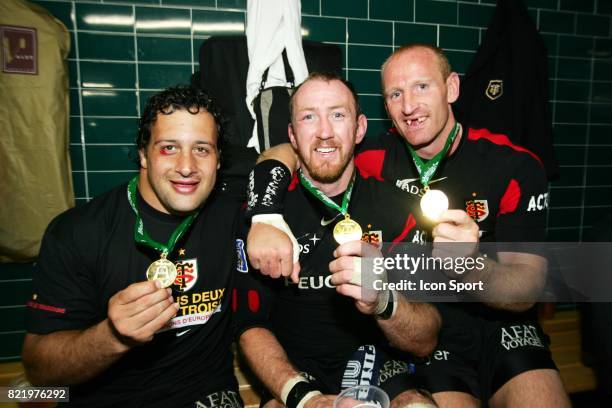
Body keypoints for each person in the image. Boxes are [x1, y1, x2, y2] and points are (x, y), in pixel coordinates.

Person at [247, 45, 571, 407]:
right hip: (430, 333)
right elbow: (299, 152)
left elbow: (526, 289)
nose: (408, 106)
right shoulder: (372, 156)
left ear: (451, 88)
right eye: (395, 94)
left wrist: (469, 265)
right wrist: (264, 213)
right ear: (385, 107)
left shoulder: (513, 165)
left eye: (422, 87)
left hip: (502, 327)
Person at [22, 85, 246, 407]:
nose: (187, 166)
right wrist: (112, 336)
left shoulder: (232, 218)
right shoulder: (78, 232)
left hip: (206, 394)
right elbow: (38, 369)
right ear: (143, 154)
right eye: (169, 148)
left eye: (201, 149)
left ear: (218, 159)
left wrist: (270, 222)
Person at [237, 72, 441, 407]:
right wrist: (306, 399)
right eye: (308, 117)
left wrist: (383, 301)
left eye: (337, 114)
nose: (324, 132)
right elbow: (249, 329)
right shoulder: (264, 218)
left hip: (379, 364)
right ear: (291, 134)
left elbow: (426, 340)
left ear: (359, 128)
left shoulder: (399, 210)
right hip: (293, 371)